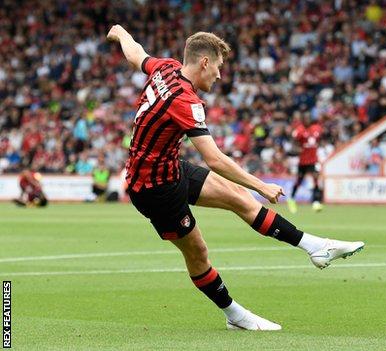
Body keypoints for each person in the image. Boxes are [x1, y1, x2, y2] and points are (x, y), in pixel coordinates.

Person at [107, 25, 364, 331]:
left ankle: (315, 247)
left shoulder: (166, 68)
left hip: (170, 167)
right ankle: (235, 315)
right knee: (198, 252)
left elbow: (137, 53)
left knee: (238, 198)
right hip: (153, 189)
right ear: (204, 62)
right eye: (218, 67)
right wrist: (261, 185)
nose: (218, 75)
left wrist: (121, 33)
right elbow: (214, 159)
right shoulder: (185, 102)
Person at [287, 113, 323, 213]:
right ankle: (291, 199)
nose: (307, 120)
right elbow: (294, 143)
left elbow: (319, 139)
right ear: (303, 120)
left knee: (316, 178)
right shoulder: (299, 130)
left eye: (309, 118)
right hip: (303, 161)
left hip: (313, 160)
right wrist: (297, 149)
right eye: (305, 118)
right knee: (299, 181)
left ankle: (316, 202)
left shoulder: (316, 129)